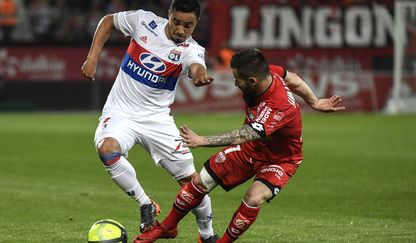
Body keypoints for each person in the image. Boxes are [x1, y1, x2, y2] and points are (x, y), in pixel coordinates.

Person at [133, 49, 345, 242]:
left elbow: (244, 135)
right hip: (252, 151)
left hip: (280, 161)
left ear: (252, 81)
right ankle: (166, 228)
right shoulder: (268, 72)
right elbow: (294, 79)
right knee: (200, 182)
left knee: (253, 197)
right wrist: (315, 102)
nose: (235, 83)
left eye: (237, 80)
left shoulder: (277, 106)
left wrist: (203, 140)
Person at [81, 0, 218, 242]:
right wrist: (92, 58)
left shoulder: (191, 49)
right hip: (121, 112)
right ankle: (146, 203)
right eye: (176, 22)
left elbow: (197, 67)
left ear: (196, 23)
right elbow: (108, 21)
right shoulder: (144, 21)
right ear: (169, 15)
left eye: (188, 25)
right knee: (107, 149)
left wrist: (200, 75)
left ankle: (207, 236)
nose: (180, 30)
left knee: (193, 183)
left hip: (158, 120)